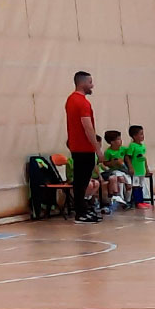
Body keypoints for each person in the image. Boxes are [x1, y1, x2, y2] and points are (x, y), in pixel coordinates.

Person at [64, 70, 101, 222]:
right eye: (90, 82)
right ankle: (80, 213)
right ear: (83, 83)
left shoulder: (70, 100)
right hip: (84, 148)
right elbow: (88, 127)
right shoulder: (82, 102)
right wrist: (97, 149)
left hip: (76, 147)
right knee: (81, 181)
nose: (92, 85)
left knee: (81, 181)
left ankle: (83, 210)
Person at [96, 129, 133, 212]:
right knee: (120, 179)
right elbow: (105, 163)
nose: (121, 141)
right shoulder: (108, 152)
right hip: (115, 170)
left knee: (129, 185)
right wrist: (114, 162)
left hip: (124, 170)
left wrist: (130, 166)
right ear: (112, 142)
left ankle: (128, 201)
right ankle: (120, 200)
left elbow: (128, 157)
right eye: (118, 139)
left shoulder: (124, 149)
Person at [121, 124, 153, 205]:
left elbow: (143, 158)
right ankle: (137, 202)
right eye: (141, 134)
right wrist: (130, 167)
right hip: (136, 170)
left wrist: (147, 169)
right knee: (136, 186)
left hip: (141, 170)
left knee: (141, 186)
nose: (143, 136)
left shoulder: (142, 146)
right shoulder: (132, 146)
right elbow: (127, 157)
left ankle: (142, 201)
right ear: (134, 136)